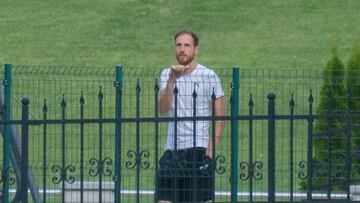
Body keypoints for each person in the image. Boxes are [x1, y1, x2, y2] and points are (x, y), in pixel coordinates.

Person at [156, 30, 226, 203]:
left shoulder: (209, 76)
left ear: (196, 50)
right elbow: (163, 109)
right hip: (172, 150)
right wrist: (172, 80)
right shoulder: (166, 74)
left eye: (187, 45)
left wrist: (210, 153)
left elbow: (221, 117)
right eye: (179, 45)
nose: (182, 49)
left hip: (198, 150)